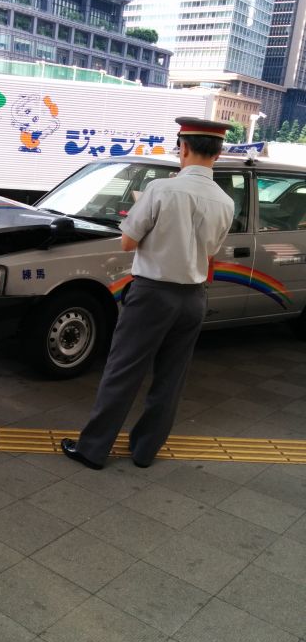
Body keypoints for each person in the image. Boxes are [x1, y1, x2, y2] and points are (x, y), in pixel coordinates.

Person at [61, 116, 235, 470]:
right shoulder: (225, 202)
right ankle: (144, 451)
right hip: (193, 298)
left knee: (123, 370)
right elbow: (210, 253)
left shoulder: (161, 190)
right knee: (172, 377)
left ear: (183, 147)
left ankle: (93, 449)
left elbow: (128, 242)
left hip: (153, 293)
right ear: (217, 153)